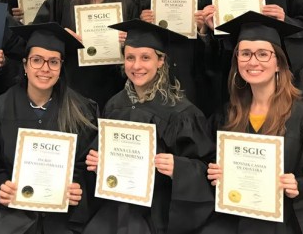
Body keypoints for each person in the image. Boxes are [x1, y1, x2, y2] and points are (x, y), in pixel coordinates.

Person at [205, 11, 303, 234]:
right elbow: (204, 160)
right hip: (235, 222)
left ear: (279, 63)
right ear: (236, 61)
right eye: (245, 54)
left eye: (263, 54)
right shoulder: (227, 116)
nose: (253, 62)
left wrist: (301, 185)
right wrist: (214, 170)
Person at [84, 20, 216, 234]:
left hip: (158, 212)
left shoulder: (181, 112)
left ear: (161, 60)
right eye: (130, 58)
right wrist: (98, 162)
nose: (136, 66)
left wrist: (178, 168)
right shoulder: (115, 105)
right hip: (116, 205)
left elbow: (207, 167)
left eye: (145, 57)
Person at [0, 22, 98, 234]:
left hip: (62, 218)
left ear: (61, 67)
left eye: (53, 62)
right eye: (37, 60)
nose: (45, 68)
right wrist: (1, 187)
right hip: (11, 215)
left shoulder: (82, 111)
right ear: (25, 65)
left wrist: (77, 187)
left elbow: (84, 165)